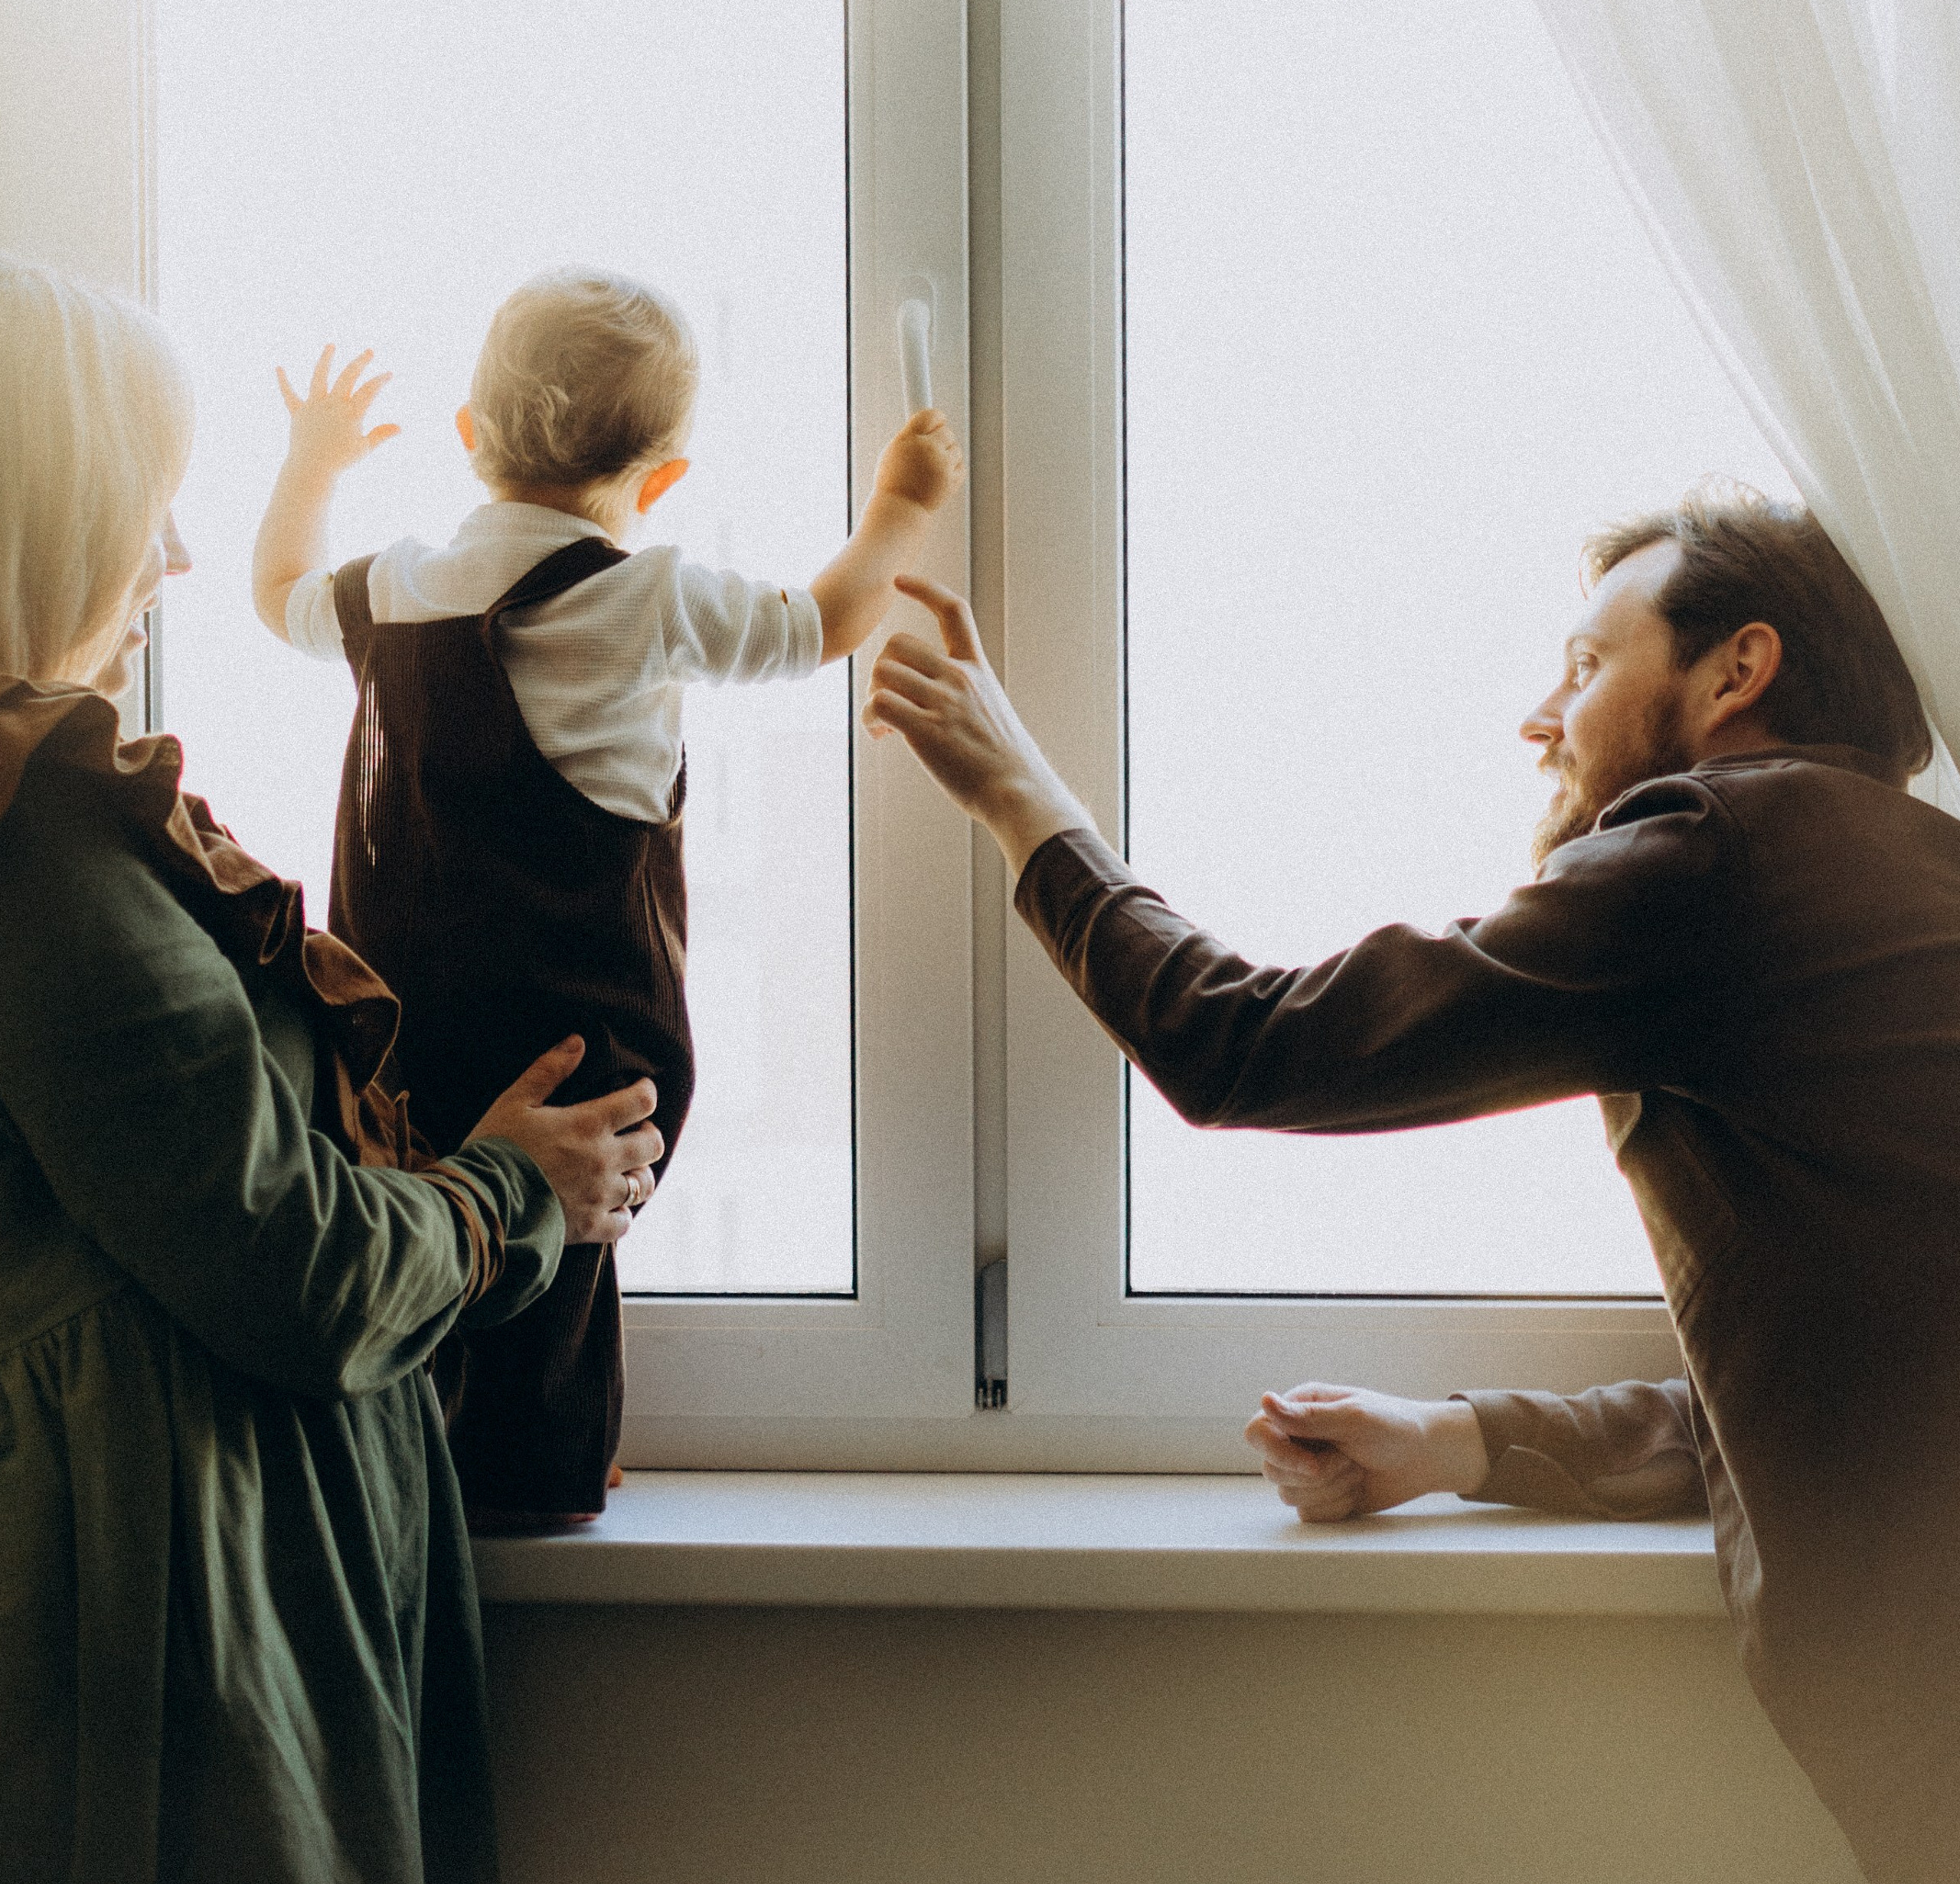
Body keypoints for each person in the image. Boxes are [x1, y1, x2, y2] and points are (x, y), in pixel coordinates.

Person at [864, 492, 1960, 1884]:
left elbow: (1249, 1046)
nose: (1538, 717)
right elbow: (1841, 1376)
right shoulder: (1898, 876)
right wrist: (1462, 1443)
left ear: (1740, 671)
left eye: (1584, 666)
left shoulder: (1724, 851)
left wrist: (1022, 796)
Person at [0, 253, 665, 1883]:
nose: (170, 551)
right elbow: (295, 1264)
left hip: (206, 1608)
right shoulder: (41, 868)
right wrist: (525, 1187)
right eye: (142, 501)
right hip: (164, 1647)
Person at [250, 267, 965, 1526]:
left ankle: (433, 1458)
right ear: (663, 478)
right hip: (579, 1013)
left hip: (391, 1032)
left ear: (468, 440)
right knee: (576, 1225)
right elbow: (827, 621)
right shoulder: (650, 596)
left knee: (442, 1228)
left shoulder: (388, 587)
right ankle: (546, 1464)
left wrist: (312, 464)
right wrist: (902, 504)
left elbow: (275, 594)